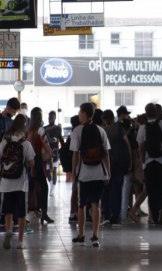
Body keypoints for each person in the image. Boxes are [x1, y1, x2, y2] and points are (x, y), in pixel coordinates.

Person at [70, 102, 111, 247]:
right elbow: (106, 154)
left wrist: (74, 173)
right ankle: (95, 236)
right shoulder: (101, 130)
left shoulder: (77, 131)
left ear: (85, 114)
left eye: (80, 112)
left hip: (84, 174)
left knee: (81, 205)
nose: (79, 115)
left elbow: (75, 155)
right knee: (96, 205)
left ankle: (81, 235)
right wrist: (108, 172)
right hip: (99, 173)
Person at [0, 114, 35, 249]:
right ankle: (20, 241)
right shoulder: (26, 144)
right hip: (21, 183)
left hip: (6, 182)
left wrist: (0, 173)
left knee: (8, 210)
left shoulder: (5, 141)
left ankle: (9, 231)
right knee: (22, 213)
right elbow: (31, 162)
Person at [0, 97, 20, 233]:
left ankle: (6, 215)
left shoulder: (10, 122)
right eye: (14, 111)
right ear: (9, 108)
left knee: (6, 188)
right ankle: (1, 215)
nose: (14, 114)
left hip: (8, 160)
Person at [137, 103, 162, 225]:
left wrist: (142, 163)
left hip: (149, 162)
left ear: (146, 113)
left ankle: (154, 215)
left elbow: (141, 148)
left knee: (151, 190)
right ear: (156, 112)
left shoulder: (142, 128)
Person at [101, 109, 130, 226]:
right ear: (113, 117)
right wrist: (130, 160)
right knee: (117, 190)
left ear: (103, 119)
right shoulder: (119, 128)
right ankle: (116, 217)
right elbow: (127, 143)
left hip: (107, 164)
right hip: (120, 164)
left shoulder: (103, 131)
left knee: (106, 190)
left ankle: (107, 215)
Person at [27, 107, 54, 225]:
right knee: (44, 187)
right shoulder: (40, 130)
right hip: (37, 160)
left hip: (28, 161)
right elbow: (48, 149)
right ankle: (44, 213)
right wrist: (45, 158)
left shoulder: (29, 130)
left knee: (30, 187)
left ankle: (27, 213)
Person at [44, 110, 63, 195]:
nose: (50, 118)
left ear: (55, 118)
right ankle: (51, 183)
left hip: (55, 151)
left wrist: (62, 147)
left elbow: (60, 138)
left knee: (54, 170)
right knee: (48, 170)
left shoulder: (58, 128)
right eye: (49, 117)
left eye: (52, 117)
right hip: (47, 152)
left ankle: (53, 187)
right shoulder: (45, 128)